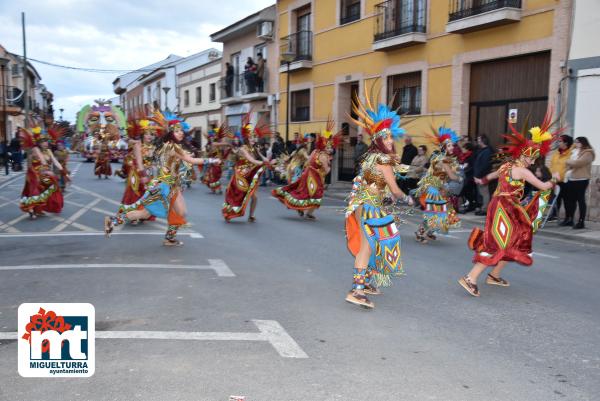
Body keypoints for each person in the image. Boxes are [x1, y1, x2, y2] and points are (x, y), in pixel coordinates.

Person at [459, 112, 561, 297]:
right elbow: (544, 185)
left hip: (500, 205)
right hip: (506, 208)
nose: (531, 161)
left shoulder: (506, 166)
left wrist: (479, 181)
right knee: (497, 243)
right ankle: (470, 278)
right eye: (531, 158)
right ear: (525, 156)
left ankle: (494, 274)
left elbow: (489, 177)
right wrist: (555, 179)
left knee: (514, 241)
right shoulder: (522, 171)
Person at [105, 111, 220, 246]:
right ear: (171, 132)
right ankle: (167, 237)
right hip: (165, 186)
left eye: (181, 131)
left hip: (167, 184)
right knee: (163, 212)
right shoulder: (173, 147)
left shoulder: (165, 145)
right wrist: (212, 160)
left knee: (149, 213)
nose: (181, 133)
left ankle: (114, 221)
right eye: (177, 131)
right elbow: (191, 160)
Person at [344, 93, 413, 309]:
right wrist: (408, 198)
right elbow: (394, 188)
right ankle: (356, 290)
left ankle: (363, 284)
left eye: (392, 137)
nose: (391, 140)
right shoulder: (383, 159)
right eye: (387, 137)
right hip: (369, 207)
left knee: (374, 245)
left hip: (362, 204)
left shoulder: (370, 157)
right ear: (378, 140)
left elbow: (377, 185)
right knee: (368, 247)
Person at [272, 120, 340, 220]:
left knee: (303, 192)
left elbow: (308, 162)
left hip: (307, 174)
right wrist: (329, 166)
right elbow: (326, 170)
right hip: (315, 177)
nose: (330, 149)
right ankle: (308, 213)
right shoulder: (323, 156)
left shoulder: (315, 151)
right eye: (329, 147)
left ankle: (301, 208)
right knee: (316, 195)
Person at [413, 127, 462, 243]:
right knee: (435, 213)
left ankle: (428, 232)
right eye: (449, 145)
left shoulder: (439, 157)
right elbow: (451, 175)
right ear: (444, 146)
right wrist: (459, 178)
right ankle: (420, 233)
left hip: (437, 188)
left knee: (439, 213)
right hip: (434, 189)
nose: (452, 147)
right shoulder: (443, 159)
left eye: (452, 145)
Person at [222, 114, 271, 222]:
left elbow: (261, 157)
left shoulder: (254, 148)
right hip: (241, 174)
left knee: (254, 197)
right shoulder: (243, 149)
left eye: (254, 137)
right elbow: (252, 160)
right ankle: (229, 212)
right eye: (251, 137)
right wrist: (264, 162)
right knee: (238, 195)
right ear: (247, 138)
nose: (254, 139)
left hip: (250, 173)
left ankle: (251, 215)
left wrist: (267, 160)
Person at [18, 126, 65, 219]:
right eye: (43, 141)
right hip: (34, 173)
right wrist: (48, 171)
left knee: (50, 187)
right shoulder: (35, 150)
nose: (45, 143)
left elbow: (55, 161)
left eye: (46, 141)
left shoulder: (48, 151)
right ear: (39, 143)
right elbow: (42, 162)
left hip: (44, 173)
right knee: (35, 191)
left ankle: (39, 209)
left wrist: (64, 171)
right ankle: (32, 209)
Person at [562, 136, 595, 229]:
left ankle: (581, 222)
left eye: (577, 142)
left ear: (583, 143)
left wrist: (568, 161)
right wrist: (569, 162)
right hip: (572, 178)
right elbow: (571, 164)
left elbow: (579, 163)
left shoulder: (588, 153)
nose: (575, 144)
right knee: (571, 200)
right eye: (575, 142)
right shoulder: (575, 152)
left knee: (580, 200)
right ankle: (571, 220)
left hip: (582, 179)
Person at [548, 134, 573, 221]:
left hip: (565, 181)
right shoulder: (556, 153)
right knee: (555, 199)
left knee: (567, 200)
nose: (558, 143)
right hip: (555, 180)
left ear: (566, 143)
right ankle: (554, 215)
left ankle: (568, 218)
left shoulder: (571, 153)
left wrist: (562, 175)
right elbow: (551, 165)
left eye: (560, 141)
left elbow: (570, 167)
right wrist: (552, 175)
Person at [473, 134, 493, 216]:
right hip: (479, 175)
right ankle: (482, 207)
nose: (477, 141)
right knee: (481, 193)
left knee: (485, 193)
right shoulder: (482, 150)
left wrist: (478, 175)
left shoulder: (487, 151)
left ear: (483, 141)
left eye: (478, 140)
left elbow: (484, 165)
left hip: (483, 175)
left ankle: (485, 209)